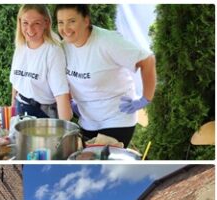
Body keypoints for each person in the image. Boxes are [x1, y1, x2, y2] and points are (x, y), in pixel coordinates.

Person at [56, 4, 156, 145]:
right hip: (87, 121)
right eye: (61, 22)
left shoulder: (108, 41)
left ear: (86, 20)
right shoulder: (63, 47)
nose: (65, 29)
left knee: (100, 161)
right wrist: (72, 101)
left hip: (117, 120)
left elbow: (147, 60)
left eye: (72, 21)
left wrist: (145, 98)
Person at [10, 5, 72, 120]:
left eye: (36, 23)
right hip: (20, 109)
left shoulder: (53, 51)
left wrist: (64, 129)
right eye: (25, 23)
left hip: (43, 115)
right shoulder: (21, 46)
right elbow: (16, 85)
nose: (30, 29)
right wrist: (12, 113)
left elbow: (62, 95)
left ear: (46, 23)